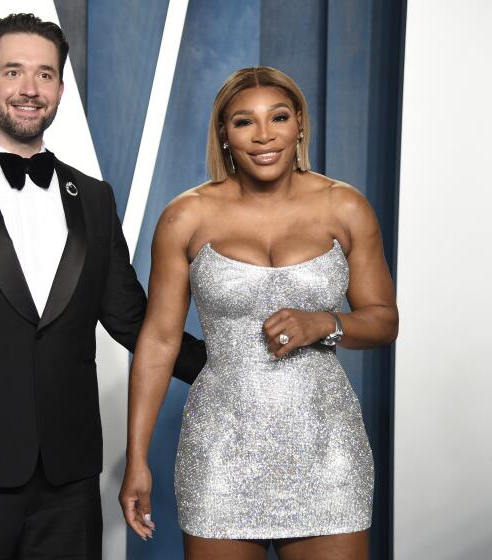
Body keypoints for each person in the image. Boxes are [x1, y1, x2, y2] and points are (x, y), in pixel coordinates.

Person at [0, 13, 205, 559]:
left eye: (45, 75)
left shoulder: (94, 198)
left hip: (67, 478)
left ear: (60, 89)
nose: (29, 90)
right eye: (13, 72)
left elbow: (129, 318)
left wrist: (226, 371)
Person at [119, 66, 399, 560]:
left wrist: (325, 323)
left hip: (325, 445)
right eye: (244, 122)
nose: (264, 135)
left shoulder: (346, 207)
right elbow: (160, 341)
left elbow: (383, 319)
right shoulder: (186, 216)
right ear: (224, 135)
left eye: (279, 117)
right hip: (221, 448)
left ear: (299, 127)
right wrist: (136, 457)